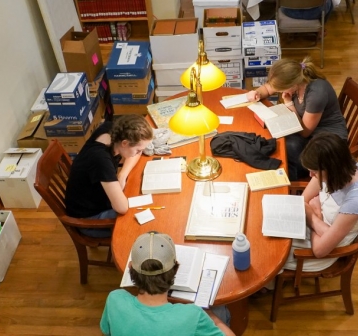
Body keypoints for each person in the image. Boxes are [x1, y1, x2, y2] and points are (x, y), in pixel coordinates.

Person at [100, 232, 235, 336]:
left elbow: (107, 330)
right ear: (176, 268)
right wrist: (211, 317)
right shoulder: (193, 315)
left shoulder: (114, 300)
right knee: (220, 310)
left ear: (130, 267)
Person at [285, 133, 358, 272]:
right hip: (320, 230)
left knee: (272, 249)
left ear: (330, 170)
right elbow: (303, 201)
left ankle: (267, 285)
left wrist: (315, 215)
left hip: (325, 250)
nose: (311, 176)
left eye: (314, 172)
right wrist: (315, 216)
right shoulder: (343, 167)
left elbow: (320, 250)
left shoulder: (357, 200)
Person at [245, 57, 348, 181]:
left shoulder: (316, 94)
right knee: (275, 141)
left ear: (292, 85)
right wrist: (257, 93)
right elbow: (267, 88)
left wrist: (289, 104)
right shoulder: (295, 81)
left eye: (280, 90)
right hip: (309, 132)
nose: (278, 91)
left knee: (285, 146)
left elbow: (305, 131)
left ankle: (287, 180)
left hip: (327, 142)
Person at [65, 115, 153, 238]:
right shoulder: (101, 160)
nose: (139, 153)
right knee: (145, 224)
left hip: (97, 197)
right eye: (138, 150)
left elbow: (134, 155)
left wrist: (122, 175)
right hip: (89, 219)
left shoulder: (113, 130)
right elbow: (121, 208)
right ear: (125, 143)